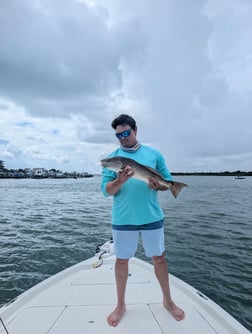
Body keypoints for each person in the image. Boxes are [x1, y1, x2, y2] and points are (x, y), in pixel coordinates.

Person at [101, 114, 185, 327]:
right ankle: (120, 305)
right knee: (121, 261)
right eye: (118, 135)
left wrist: (161, 186)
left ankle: (167, 300)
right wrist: (119, 180)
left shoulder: (154, 154)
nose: (122, 138)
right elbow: (106, 191)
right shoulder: (113, 160)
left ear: (135, 130)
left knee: (159, 258)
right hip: (123, 218)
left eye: (126, 133)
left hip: (152, 216)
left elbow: (166, 182)